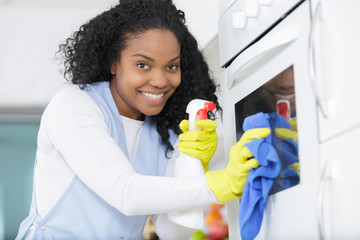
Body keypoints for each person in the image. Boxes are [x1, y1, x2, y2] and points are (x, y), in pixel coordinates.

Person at [16, 0, 270, 239]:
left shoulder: (165, 132)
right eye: (142, 65)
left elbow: (173, 233)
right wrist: (217, 184)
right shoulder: (73, 106)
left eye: (172, 66)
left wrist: (194, 164)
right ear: (114, 63)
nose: (160, 81)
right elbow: (125, 192)